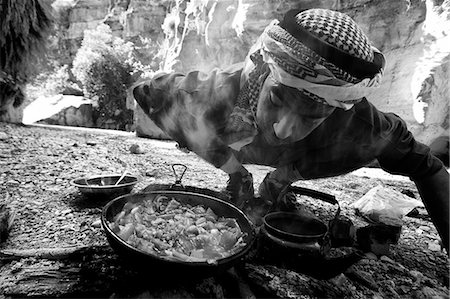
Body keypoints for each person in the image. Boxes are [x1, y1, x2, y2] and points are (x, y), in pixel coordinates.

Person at [132, 8, 449, 253]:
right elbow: (150, 95)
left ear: (335, 109)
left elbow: (428, 167)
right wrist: (233, 169)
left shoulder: (363, 127)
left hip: (313, 157)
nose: (283, 130)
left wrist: (287, 174)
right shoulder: (213, 92)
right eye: (276, 99)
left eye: (310, 116)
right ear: (262, 74)